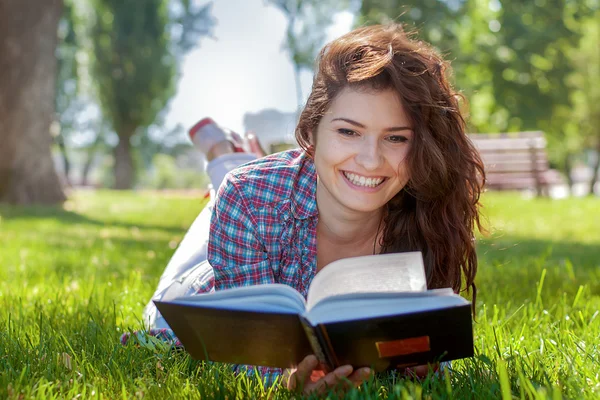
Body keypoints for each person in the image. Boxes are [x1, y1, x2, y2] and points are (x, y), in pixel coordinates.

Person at [133, 23, 485, 395]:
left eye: (396, 138)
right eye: (348, 132)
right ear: (311, 136)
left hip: (280, 190)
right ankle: (224, 158)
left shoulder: (426, 209)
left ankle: (236, 156)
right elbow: (243, 355)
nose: (369, 160)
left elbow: (428, 349)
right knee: (228, 188)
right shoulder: (246, 197)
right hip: (197, 296)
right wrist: (285, 384)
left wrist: (418, 364)